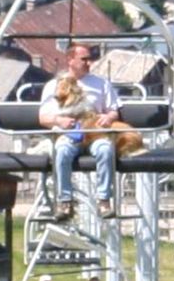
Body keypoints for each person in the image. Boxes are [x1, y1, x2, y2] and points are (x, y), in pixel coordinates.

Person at [39, 43, 119, 220]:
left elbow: (114, 109)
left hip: (93, 132)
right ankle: (65, 201)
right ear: (70, 60)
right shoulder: (55, 85)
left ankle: (104, 200)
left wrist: (109, 117)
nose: (88, 63)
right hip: (69, 133)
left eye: (89, 59)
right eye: (84, 59)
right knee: (61, 152)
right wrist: (59, 120)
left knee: (106, 150)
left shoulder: (101, 84)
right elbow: (43, 117)